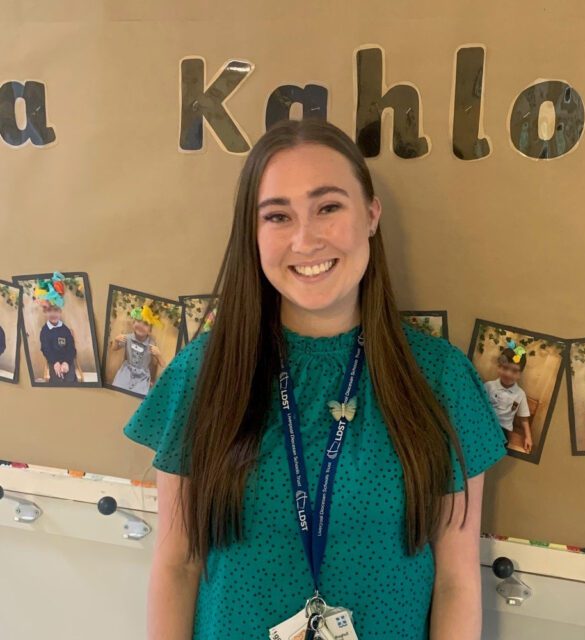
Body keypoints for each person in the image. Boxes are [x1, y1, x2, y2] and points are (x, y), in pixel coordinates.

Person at [122, 118, 507, 639]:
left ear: (371, 215)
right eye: (278, 216)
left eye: (328, 207)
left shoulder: (439, 379)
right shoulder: (204, 374)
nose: (305, 239)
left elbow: (457, 582)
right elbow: (177, 565)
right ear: (252, 235)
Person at [483, 340, 533, 453]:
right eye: (505, 368)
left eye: (514, 371)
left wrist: (528, 437)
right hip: (486, 424)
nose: (508, 374)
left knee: (496, 450)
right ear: (499, 367)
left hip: (503, 430)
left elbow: (524, 418)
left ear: (520, 374)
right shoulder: (488, 386)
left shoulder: (520, 394)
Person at [34, 272, 78, 385]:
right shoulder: (44, 331)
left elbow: (71, 348)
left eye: (56, 311)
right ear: (45, 312)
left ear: (60, 312)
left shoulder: (65, 329)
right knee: (57, 379)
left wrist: (67, 363)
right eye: (49, 311)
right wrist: (55, 363)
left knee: (70, 380)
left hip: (67, 361)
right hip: (54, 362)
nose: (53, 314)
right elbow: (46, 349)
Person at [111, 305, 165, 395]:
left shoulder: (151, 344)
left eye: (146, 324)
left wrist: (158, 355)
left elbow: (162, 365)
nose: (141, 325)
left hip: (142, 377)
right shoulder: (127, 338)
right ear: (133, 323)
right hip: (126, 372)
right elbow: (114, 349)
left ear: (150, 329)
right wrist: (116, 341)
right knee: (118, 392)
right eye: (138, 321)